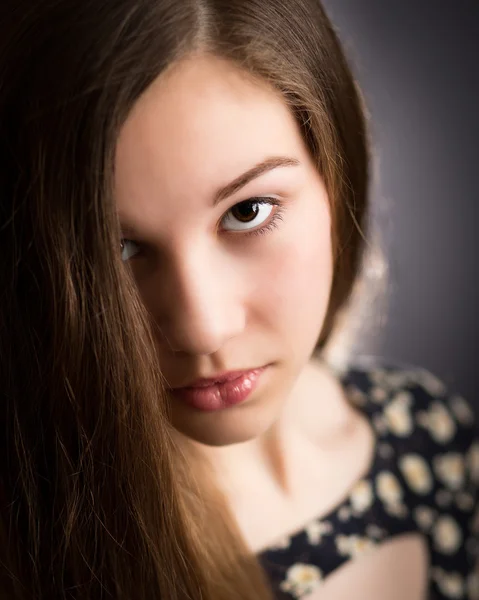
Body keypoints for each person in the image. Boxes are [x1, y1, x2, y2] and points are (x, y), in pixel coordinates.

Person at [0, 0, 477, 598]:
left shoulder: (433, 443)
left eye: (247, 211)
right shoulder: (39, 558)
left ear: (336, 174)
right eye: (116, 249)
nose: (202, 328)